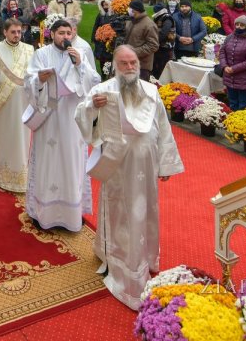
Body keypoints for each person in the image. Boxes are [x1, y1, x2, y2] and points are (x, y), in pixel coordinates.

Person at [76, 45, 183, 308]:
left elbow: (163, 128)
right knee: (121, 214)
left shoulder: (151, 91)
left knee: (145, 211)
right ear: (114, 65)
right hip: (118, 168)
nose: (130, 67)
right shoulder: (102, 91)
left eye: (133, 62)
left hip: (145, 167)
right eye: (123, 63)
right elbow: (81, 117)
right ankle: (119, 263)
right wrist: (91, 106)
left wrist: (165, 164)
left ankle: (146, 259)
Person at [24, 18, 100, 231]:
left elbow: (93, 83)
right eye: (61, 33)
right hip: (49, 119)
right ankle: (42, 214)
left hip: (71, 120)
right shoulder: (41, 54)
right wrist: (39, 78)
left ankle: (72, 215)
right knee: (47, 163)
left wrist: (80, 66)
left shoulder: (80, 54)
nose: (65, 37)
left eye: (68, 33)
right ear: (52, 34)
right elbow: (28, 82)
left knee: (72, 163)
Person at [0, 18, 35, 192]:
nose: (17, 35)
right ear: (5, 32)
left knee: (22, 138)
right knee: (5, 138)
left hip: (23, 103)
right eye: (13, 32)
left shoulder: (29, 50)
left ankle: (21, 176)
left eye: (19, 32)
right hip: (3, 105)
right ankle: (2, 177)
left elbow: (34, 75)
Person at [217, 15, 246, 110]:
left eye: (242, 25)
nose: (239, 27)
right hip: (229, 77)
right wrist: (224, 66)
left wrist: (234, 69)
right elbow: (222, 52)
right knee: (232, 103)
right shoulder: (229, 37)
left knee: (243, 106)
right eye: (237, 24)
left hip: (244, 79)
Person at [123, 0, 159, 81]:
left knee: (138, 92)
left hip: (142, 66)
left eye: (129, 8)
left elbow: (153, 46)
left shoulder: (149, 25)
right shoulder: (130, 21)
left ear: (134, 11)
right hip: (128, 62)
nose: (128, 10)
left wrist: (133, 52)